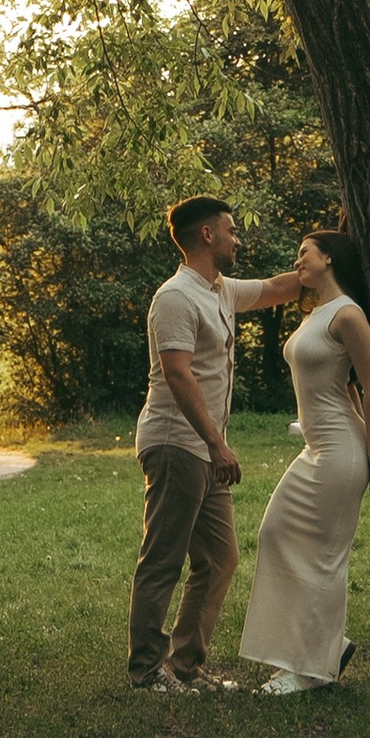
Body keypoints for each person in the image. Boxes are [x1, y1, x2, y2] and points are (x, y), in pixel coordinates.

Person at [127, 194, 301, 694]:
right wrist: (216, 443)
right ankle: (147, 673)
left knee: (220, 559)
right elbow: (177, 374)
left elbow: (278, 289)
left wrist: (336, 250)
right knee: (163, 559)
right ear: (207, 234)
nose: (237, 239)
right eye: (231, 230)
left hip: (207, 449)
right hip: (176, 443)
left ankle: (184, 666)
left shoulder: (220, 289)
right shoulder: (176, 297)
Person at [239, 222, 370, 695]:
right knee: (275, 533)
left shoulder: (348, 314)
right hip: (316, 448)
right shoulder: (317, 313)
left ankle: (309, 670)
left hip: (342, 450)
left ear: (328, 258)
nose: (297, 260)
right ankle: (327, 647)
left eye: (304, 251)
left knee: (324, 557)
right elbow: (344, 386)